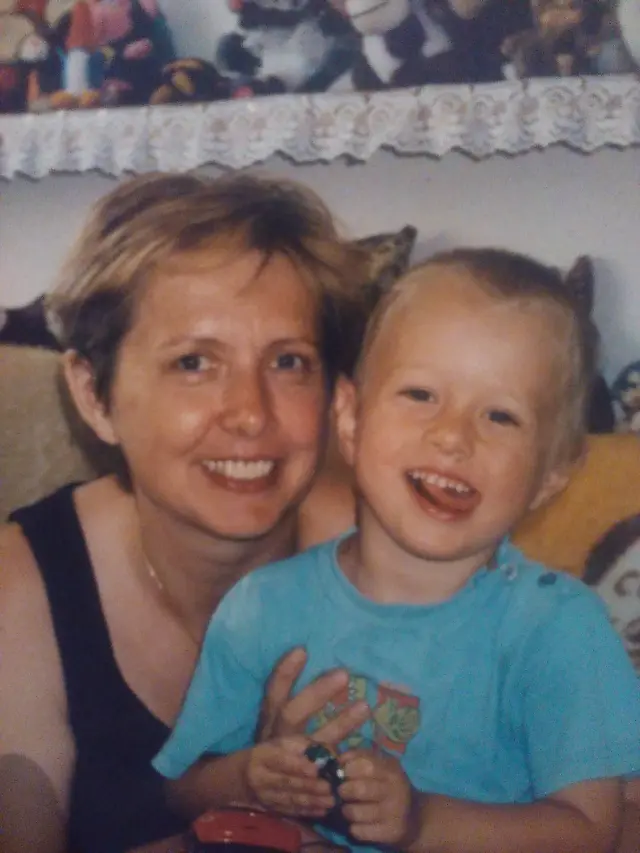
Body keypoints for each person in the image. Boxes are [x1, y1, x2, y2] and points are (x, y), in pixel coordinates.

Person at [154, 248, 640, 853]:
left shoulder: (558, 629)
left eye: (500, 416)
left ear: (551, 476)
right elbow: (181, 790)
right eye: (420, 394)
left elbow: (592, 833)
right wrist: (250, 777)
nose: (452, 436)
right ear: (350, 419)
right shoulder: (261, 606)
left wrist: (423, 823)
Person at [0, 171, 373, 853]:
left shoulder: (404, 556)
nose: (250, 412)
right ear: (94, 395)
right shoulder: (25, 583)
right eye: (194, 362)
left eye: (289, 362)